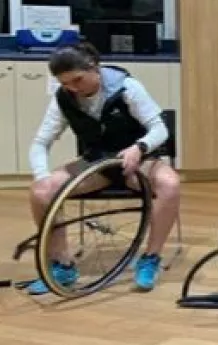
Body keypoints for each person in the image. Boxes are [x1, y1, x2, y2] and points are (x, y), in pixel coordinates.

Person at [26, 42, 181, 295]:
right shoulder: (64, 99)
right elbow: (40, 143)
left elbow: (159, 128)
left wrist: (139, 148)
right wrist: (42, 176)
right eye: (65, 84)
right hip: (96, 165)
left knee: (170, 184)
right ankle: (62, 265)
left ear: (94, 68)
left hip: (137, 162)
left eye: (77, 80)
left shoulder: (127, 88)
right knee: (41, 192)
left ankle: (151, 258)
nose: (73, 88)